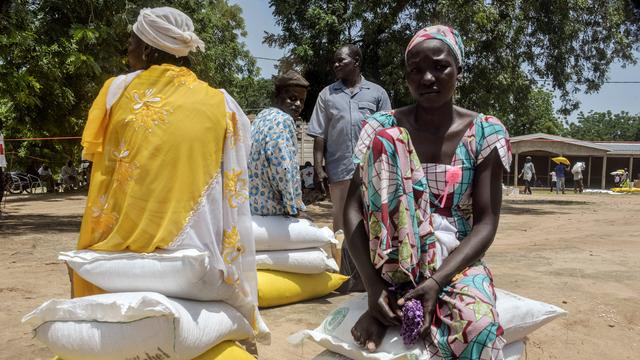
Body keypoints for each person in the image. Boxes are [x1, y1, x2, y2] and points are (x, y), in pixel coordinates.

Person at [70, 6, 267, 340]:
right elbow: (234, 175)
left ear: (147, 47)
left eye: (132, 40)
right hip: (199, 252)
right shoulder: (223, 104)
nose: (128, 48)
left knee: (81, 281)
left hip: (119, 251)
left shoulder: (116, 91)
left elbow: (102, 175)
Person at [344, 25, 508, 357]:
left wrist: (437, 282)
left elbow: (486, 222)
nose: (427, 78)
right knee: (387, 142)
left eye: (439, 66)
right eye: (415, 70)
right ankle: (394, 294)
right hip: (391, 261)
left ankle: (412, 301)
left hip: (456, 260)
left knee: (480, 330)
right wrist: (373, 286)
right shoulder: (382, 127)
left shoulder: (484, 133)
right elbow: (352, 209)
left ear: (458, 69)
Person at [308, 44, 392, 292]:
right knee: (342, 224)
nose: (335, 65)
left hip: (373, 171)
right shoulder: (327, 95)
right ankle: (345, 279)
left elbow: (388, 132)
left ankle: (373, 279)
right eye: (333, 61)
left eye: (340, 61)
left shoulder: (377, 94)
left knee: (372, 222)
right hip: (340, 169)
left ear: (356, 61)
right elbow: (319, 134)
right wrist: (318, 166)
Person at [248, 70, 310, 217]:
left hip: (253, 205)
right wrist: (293, 208)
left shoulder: (262, 116)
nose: (298, 105)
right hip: (274, 208)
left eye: (302, 101)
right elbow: (283, 168)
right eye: (292, 98)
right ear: (277, 97)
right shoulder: (283, 120)